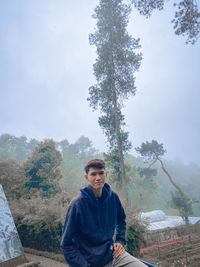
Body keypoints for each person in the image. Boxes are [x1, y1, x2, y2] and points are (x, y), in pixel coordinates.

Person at [60, 158, 147, 267]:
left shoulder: (113, 197)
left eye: (101, 173)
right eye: (93, 174)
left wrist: (120, 241)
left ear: (106, 174)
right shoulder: (77, 204)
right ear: (86, 177)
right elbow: (66, 244)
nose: (98, 178)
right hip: (89, 262)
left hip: (113, 255)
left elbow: (121, 220)